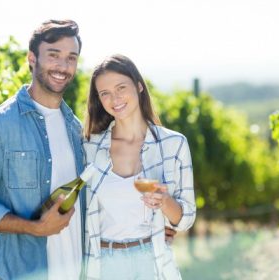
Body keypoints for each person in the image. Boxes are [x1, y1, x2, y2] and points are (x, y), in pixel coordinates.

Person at [0, 19, 85, 280]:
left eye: (71, 57)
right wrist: (33, 228)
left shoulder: (76, 128)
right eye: (54, 55)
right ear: (32, 58)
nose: (63, 66)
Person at [83, 54, 196, 279]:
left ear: (139, 86)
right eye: (105, 93)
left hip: (153, 262)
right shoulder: (89, 147)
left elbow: (186, 218)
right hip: (104, 264)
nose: (114, 98)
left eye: (121, 87)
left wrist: (164, 201)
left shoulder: (173, 144)